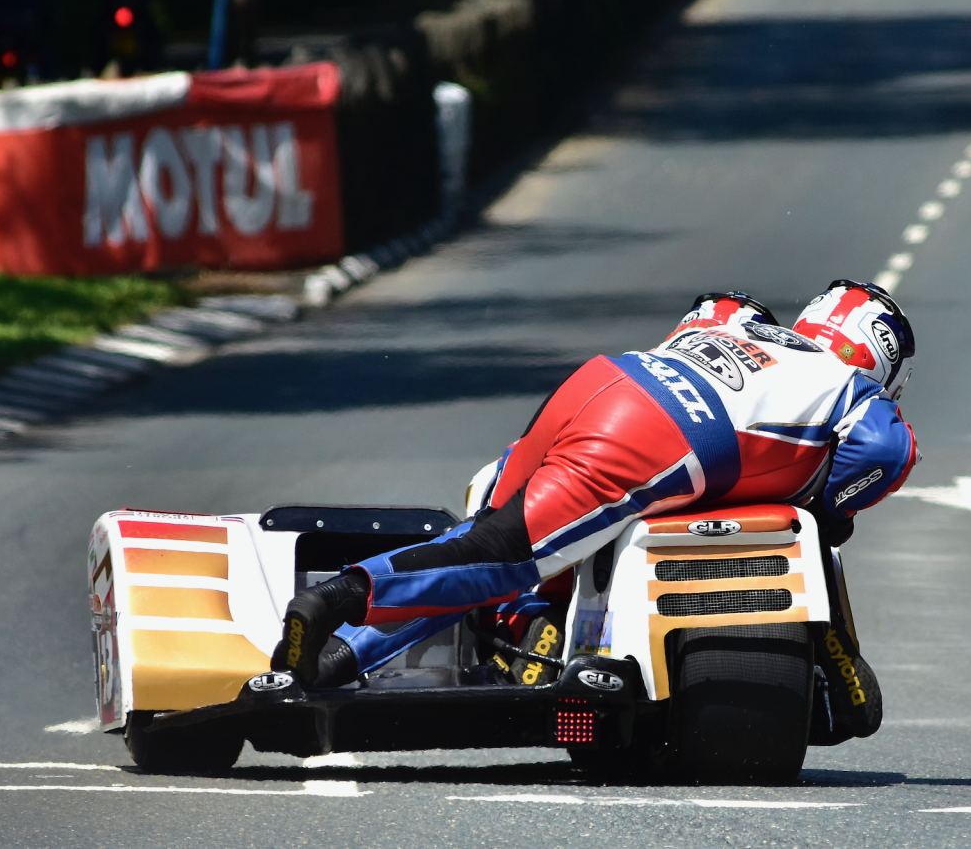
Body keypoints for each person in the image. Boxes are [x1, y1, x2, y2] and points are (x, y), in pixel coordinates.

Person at [273, 281, 922, 736]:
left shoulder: (747, 326)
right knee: (500, 557)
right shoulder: (852, 389)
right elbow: (886, 451)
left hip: (605, 380)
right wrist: (828, 511)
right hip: (662, 435)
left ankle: (336, 659)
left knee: (480, 547)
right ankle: (340, 596)